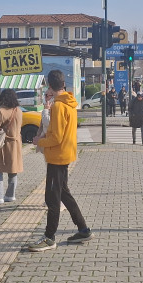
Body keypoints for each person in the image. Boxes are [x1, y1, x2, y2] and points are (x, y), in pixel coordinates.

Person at [29, 69, 92, 252]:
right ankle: (83, 229)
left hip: (57, 156)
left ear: (49, 85)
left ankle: (49, 238)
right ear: (63, 83)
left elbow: (56, 137)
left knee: (52, 198)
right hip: (66, 153)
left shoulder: (57, 106)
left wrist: (39, 140)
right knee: (64, 193)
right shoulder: (70, 103)